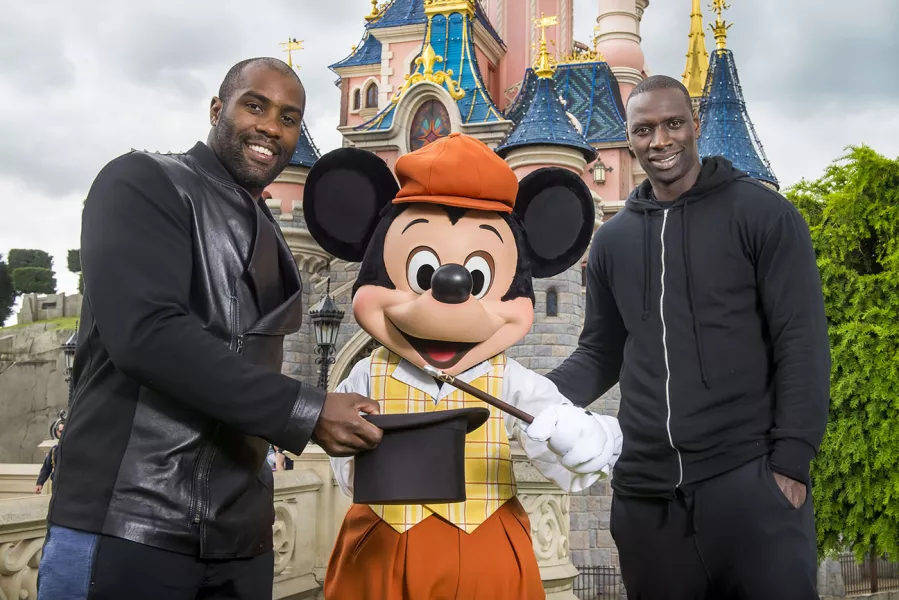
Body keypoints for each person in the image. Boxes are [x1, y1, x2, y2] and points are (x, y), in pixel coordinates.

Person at [37, 58, 384, 600]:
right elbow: (148, 334)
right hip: (128, 524)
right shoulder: (143, 181)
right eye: (255, 105)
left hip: (240, 544)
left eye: (290, 118)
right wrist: (306, 410)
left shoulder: (268, 227)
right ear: (217, 109)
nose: (272, 126)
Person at [546, 75, 830, 599]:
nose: (660, 140)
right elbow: (600, 352)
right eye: (644, 129)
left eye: (673, 123)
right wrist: (535, 393)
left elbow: (802, 341)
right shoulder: (612, 241)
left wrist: (791, 462)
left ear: (695, 124)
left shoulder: (764, 215)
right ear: (628, 137)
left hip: (750, 483)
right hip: (646, 500)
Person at [302, 133, 622, 599]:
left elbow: (560, 453)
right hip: (381, 556)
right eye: (425, 273)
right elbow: (342, 467)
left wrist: (580, 438)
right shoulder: (367, 374)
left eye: (477, 277)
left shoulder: (512, 381)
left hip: (485, 556)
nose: (450, 289)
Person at [36, 420, 65, 494]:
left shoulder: (76, 449)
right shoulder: (54, 450)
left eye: (65, 431)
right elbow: (46, 467)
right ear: (57, 433)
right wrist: (40, 483)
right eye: (60, 431)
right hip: (57, 484)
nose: (63, 433)